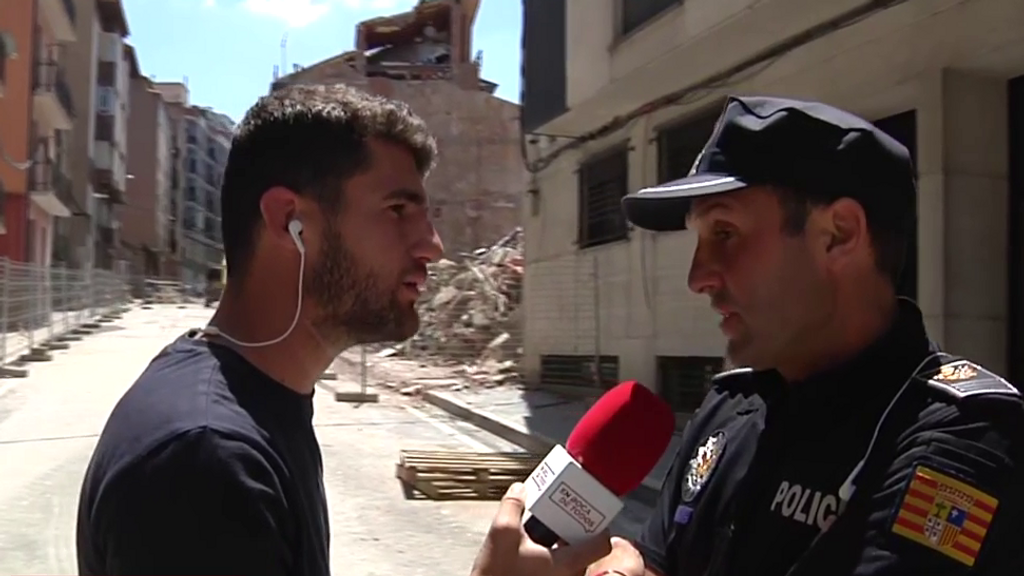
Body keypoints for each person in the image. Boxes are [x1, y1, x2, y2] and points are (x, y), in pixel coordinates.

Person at [586, 96, 1024, 576]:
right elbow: (657, 562)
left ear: (838, 234)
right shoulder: (728, 408)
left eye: (725, 233)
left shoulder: (961, 439)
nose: (698, 276)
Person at [75, 83, 445, 575]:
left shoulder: (258, 405)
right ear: (290, 220)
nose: (432, 246)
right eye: (398, 210)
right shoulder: (205, 464)